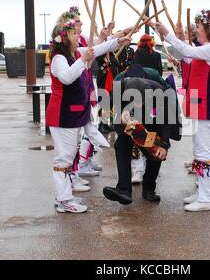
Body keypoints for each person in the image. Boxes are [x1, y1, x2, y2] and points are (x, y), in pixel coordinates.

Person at [46, 18, 131, 214]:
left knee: (68, 156)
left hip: (72, 114)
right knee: (64, 159)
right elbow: (66, 78)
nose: (79, 37)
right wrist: (83, 61)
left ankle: (65, 197)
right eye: (75, 34)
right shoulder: (60, 58)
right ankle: (64, 200)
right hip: (62, 114)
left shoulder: (75, 53)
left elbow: (99, 48)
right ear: (65, 37)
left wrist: (119, 41)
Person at [154, 9, 210, 212]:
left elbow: (188, 52)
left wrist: (168, 35)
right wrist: (178, 39)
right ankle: (204, 193)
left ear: (208, 28)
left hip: (207, 105)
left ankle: (206, 198)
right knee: (200, 149)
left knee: (204, 150)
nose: (196, 28)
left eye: (198, 25)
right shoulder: (206, 48)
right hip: (200, 104)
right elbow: (189, 58)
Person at [103, 75, 181, 205]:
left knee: (155, 152)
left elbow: (167, 122)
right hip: (130, 122)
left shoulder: (160, 93)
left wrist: (164, 145)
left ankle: (149, 189)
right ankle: (123, 190)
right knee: (121, 146)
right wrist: (121, 114)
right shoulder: (120, 87)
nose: (138, 105)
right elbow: (110, 108)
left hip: (153, 121)